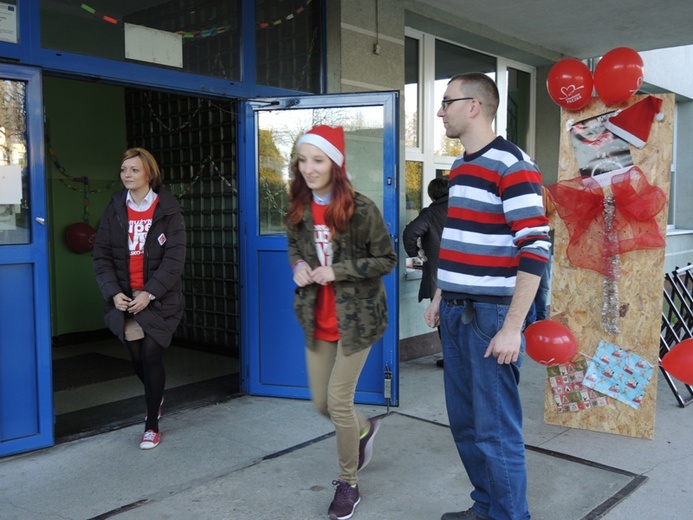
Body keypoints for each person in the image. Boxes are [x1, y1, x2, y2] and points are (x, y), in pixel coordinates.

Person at [425, 73, 550, 520]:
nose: (440, 111)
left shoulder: (512, 164)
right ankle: (486, 509)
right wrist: (441, 291)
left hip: (491, 317)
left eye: (446, 102)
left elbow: (536, 245)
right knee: (466, 424)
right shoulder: (460, 167)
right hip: (457, 310)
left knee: (496, 430)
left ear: (474, 106)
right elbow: (457, 239)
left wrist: (514, 327)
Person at [285, 125, 397, 520]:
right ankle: (363, 430)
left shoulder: (361, 209)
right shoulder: (298, 206)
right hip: (317, 318)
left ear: (335, 163)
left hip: (357, 320)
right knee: (321, 403)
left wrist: (339, 271)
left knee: (338, 401)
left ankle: (348, 484)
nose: (310, 168)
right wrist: (299, 264)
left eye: (318, 159)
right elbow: (295, 247)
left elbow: (387, 259)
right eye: (304, 160)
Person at [94, 148, 186, 450]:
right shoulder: (115, 207)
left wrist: (150, 292)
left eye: (134, 170)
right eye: (123, 170)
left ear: (149, 173)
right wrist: (113, 293)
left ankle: (151, 425)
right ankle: (155, 394)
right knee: (136, 358)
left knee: (150, 354)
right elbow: (102, 255)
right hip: (127, 298)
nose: (127, 175)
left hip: (159, 299)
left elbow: (174, 259)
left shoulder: (168, 209)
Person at [402, 177, 449, 367]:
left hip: (438, 274)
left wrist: (417, 257)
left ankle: (451, 359)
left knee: (441, 315)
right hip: (465, 273)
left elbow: (409, 233)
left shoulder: (430, 213)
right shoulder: (461, 208)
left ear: (431, 195)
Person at [525, 186, 556, 324]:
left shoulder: (542, 190)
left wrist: (547, 226)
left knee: (543, 286)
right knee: (524, 285)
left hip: (541, 244)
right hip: (519, 245)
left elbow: (554, 213)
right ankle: (529, 323)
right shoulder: (510, 188)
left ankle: (541, 321)